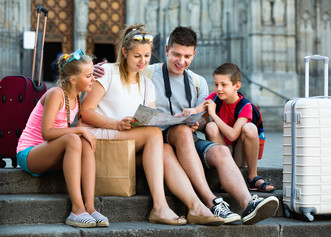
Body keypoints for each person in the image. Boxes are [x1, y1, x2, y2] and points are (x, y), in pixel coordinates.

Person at [94, 26, 279, 225]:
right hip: (156, 139)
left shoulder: (198, 82)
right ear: (166, 50)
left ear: (194, 54)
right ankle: (213, 202)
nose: (181, 61)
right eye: (176, 54)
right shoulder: (146, 71)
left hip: (188, 140)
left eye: (187, 56)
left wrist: (196, 123)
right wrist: (97, 68)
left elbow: (203, 121)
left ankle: (248, 203)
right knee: (181, 131)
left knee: (220, 152)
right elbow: (125, 67)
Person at [81, 24, 223, 226]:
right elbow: (84, 112)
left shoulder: (147, 83)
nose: (143, 61)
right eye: (137, 56)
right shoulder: (107, 73)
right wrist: (116, 124)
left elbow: (150, 117)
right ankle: (159, 206)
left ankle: (196, 206)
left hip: (127, 144)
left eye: (147, 56)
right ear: (124, 52)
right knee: (154, 135)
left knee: (164, 148)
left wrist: (172, 120)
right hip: (100, 138)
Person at [16, 49, 109, 228]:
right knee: (75, 138)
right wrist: (78, 132)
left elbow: (68, 134)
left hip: (51, 152)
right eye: (89, 76)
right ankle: (76, 209)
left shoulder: (77, 95)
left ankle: (90, 207)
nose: (93, 79)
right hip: (30, 153)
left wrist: (81, 134)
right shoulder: (56, 94)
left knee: (85, 141)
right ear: (73, 80)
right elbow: (47, 133)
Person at [200, 63, 275, 192]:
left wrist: (213, 114)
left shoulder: (246, 106)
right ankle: (227, 176)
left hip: (240, 154)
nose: (218, 89)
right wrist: (185, 114)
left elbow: (233, 135)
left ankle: (252, 177)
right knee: (210, 126)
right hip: (224, 153)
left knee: (250, 128)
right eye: (216, 84)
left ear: (237, 86)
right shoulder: (215, 97)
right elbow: (198, 110)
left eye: (224, 85)